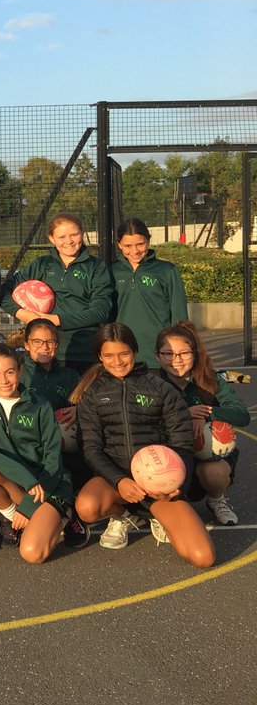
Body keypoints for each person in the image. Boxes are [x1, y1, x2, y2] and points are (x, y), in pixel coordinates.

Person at [71, 323, 213, 567]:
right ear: (99, 357)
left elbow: (182, 445)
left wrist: (178, 485)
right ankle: (122, 516)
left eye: (123, 353)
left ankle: (156, 516)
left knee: (203, 558)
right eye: (108, 355)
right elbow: (91, 449)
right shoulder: (93, 394)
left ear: (135, 351)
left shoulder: (162, 390)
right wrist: (119, 480)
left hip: (158, 484)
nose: (117, 361)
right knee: (86, 507)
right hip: (117, 482)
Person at [0, 343, 81, 561]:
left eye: (9, 372)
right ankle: (12, 517)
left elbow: (53, 461)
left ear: (20, 371)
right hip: (23, 484)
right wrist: (26, 481)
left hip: (48, 485)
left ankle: (65, 518)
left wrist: (29, 505)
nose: (3, 380)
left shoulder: (40, 405)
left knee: (32, 554)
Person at [154, 322, 247, 526]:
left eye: (184, 353)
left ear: (194, 353)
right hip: (170, 454)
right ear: (157, 355)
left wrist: (207, 413)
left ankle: (216, 500)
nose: (176, 360)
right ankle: (150, 509)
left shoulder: (211, 379)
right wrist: (184, 415)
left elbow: (242, 416)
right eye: (168, 354)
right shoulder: (150, 383)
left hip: (204, 457)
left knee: (214, 472)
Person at [2, 212, 112, 373]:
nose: (69, 241)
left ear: (82, 233)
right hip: (44, 353)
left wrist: (57, 319)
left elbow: (100, 311)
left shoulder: (96, 267)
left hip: (83, 352)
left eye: (74, 234)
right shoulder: (41, 265)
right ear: (51, 239)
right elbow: (3, 291)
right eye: (61, 237)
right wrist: (22, 314)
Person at [18, 318, 88, 490]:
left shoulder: (70, 376)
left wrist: (79, 410)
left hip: (63, 445)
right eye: (37, 342)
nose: (44, 347)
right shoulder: (18, 374)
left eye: (50, 341)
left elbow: (88, 404)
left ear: (57, 344)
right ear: (26, 344)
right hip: (30, 445)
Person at [111, 218, 188, 361]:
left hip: (159, 354)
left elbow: (179, 314)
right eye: (128, 245)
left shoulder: (167, 270)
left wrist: (178, 348)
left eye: (140, 244)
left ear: (148, 240)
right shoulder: (111, 271)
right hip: (122, 354)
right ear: (119, 244)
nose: (134, 250)